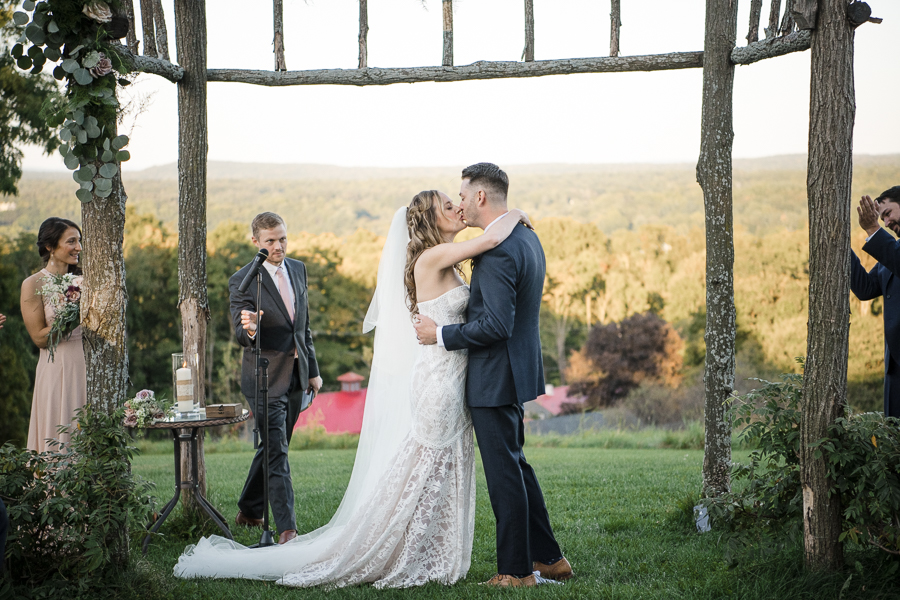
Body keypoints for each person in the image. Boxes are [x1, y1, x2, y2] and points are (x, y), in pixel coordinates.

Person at [174, 192, 531, 588]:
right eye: (448, 206)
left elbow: (303, 325)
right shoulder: (431, 258)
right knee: (419, 466)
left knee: (440, 468)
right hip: (433, 382)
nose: (457, 209)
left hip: (446, 375)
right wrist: (513, 212)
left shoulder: (442, 254)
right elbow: (490, 241)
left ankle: (432, 549)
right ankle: (374, 544)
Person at [415, 163, 572, 587]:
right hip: (512, 371)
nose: (460, 202)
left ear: (481, 197)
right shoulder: (526, 235)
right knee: (517, 468)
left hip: (493, 377)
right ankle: (550, 559)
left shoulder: (499, 249)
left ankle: (516, 571)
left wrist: (441, 334)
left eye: (462, 195)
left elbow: (496, 326)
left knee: (505, 474)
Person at [228, 212, 322, 545]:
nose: (278, 246)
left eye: (282, 238)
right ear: (255, 242)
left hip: (296, 375)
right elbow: (240, 334)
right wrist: (250, 327)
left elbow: (304, 325)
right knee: (277, 451)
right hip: (263, 378)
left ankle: (248, 509)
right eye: (270, 241)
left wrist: (313, 371)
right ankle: (287, 529)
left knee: (273, 446)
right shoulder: (243, 279)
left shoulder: (298, 268)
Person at [20, 217, 86, 453]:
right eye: (71, 241)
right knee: (59, 433)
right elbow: (39, 337)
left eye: (79, 241)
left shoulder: (85, 281)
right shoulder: (33, 284)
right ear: (50, 246)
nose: (78, 247)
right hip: (56, 368)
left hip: (87, 366)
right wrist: (76, 315)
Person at [850, 186, 900, 418]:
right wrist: (841, 246)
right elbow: (866, 289)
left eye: (888, 213)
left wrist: (872, 228)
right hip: (895, 366)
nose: (887, 222)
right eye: (882, 219)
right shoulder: (893, 253)